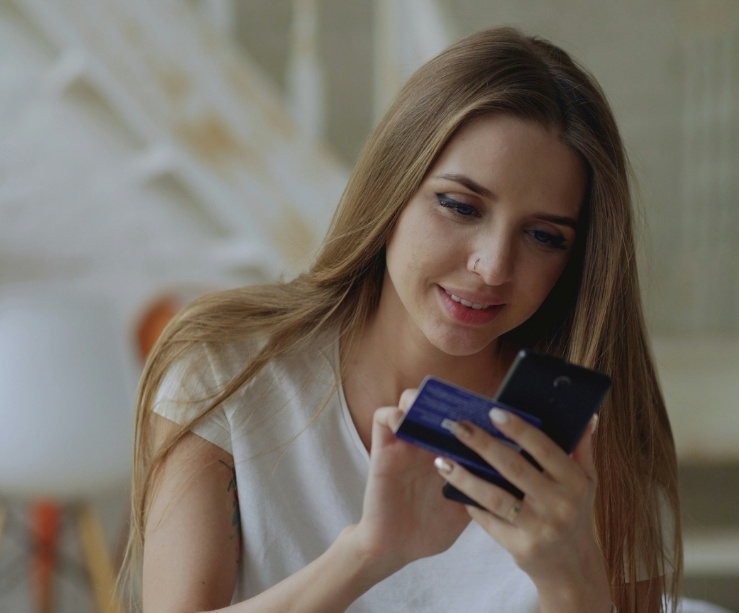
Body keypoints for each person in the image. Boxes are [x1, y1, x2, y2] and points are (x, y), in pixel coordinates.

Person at [121, 26, 682, 613]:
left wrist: (573, 579)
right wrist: (367, 553)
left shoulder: (600, 443)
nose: (493, 267)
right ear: (394, 186)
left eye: (544, 236)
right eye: (460, 206)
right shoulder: (228, 370)